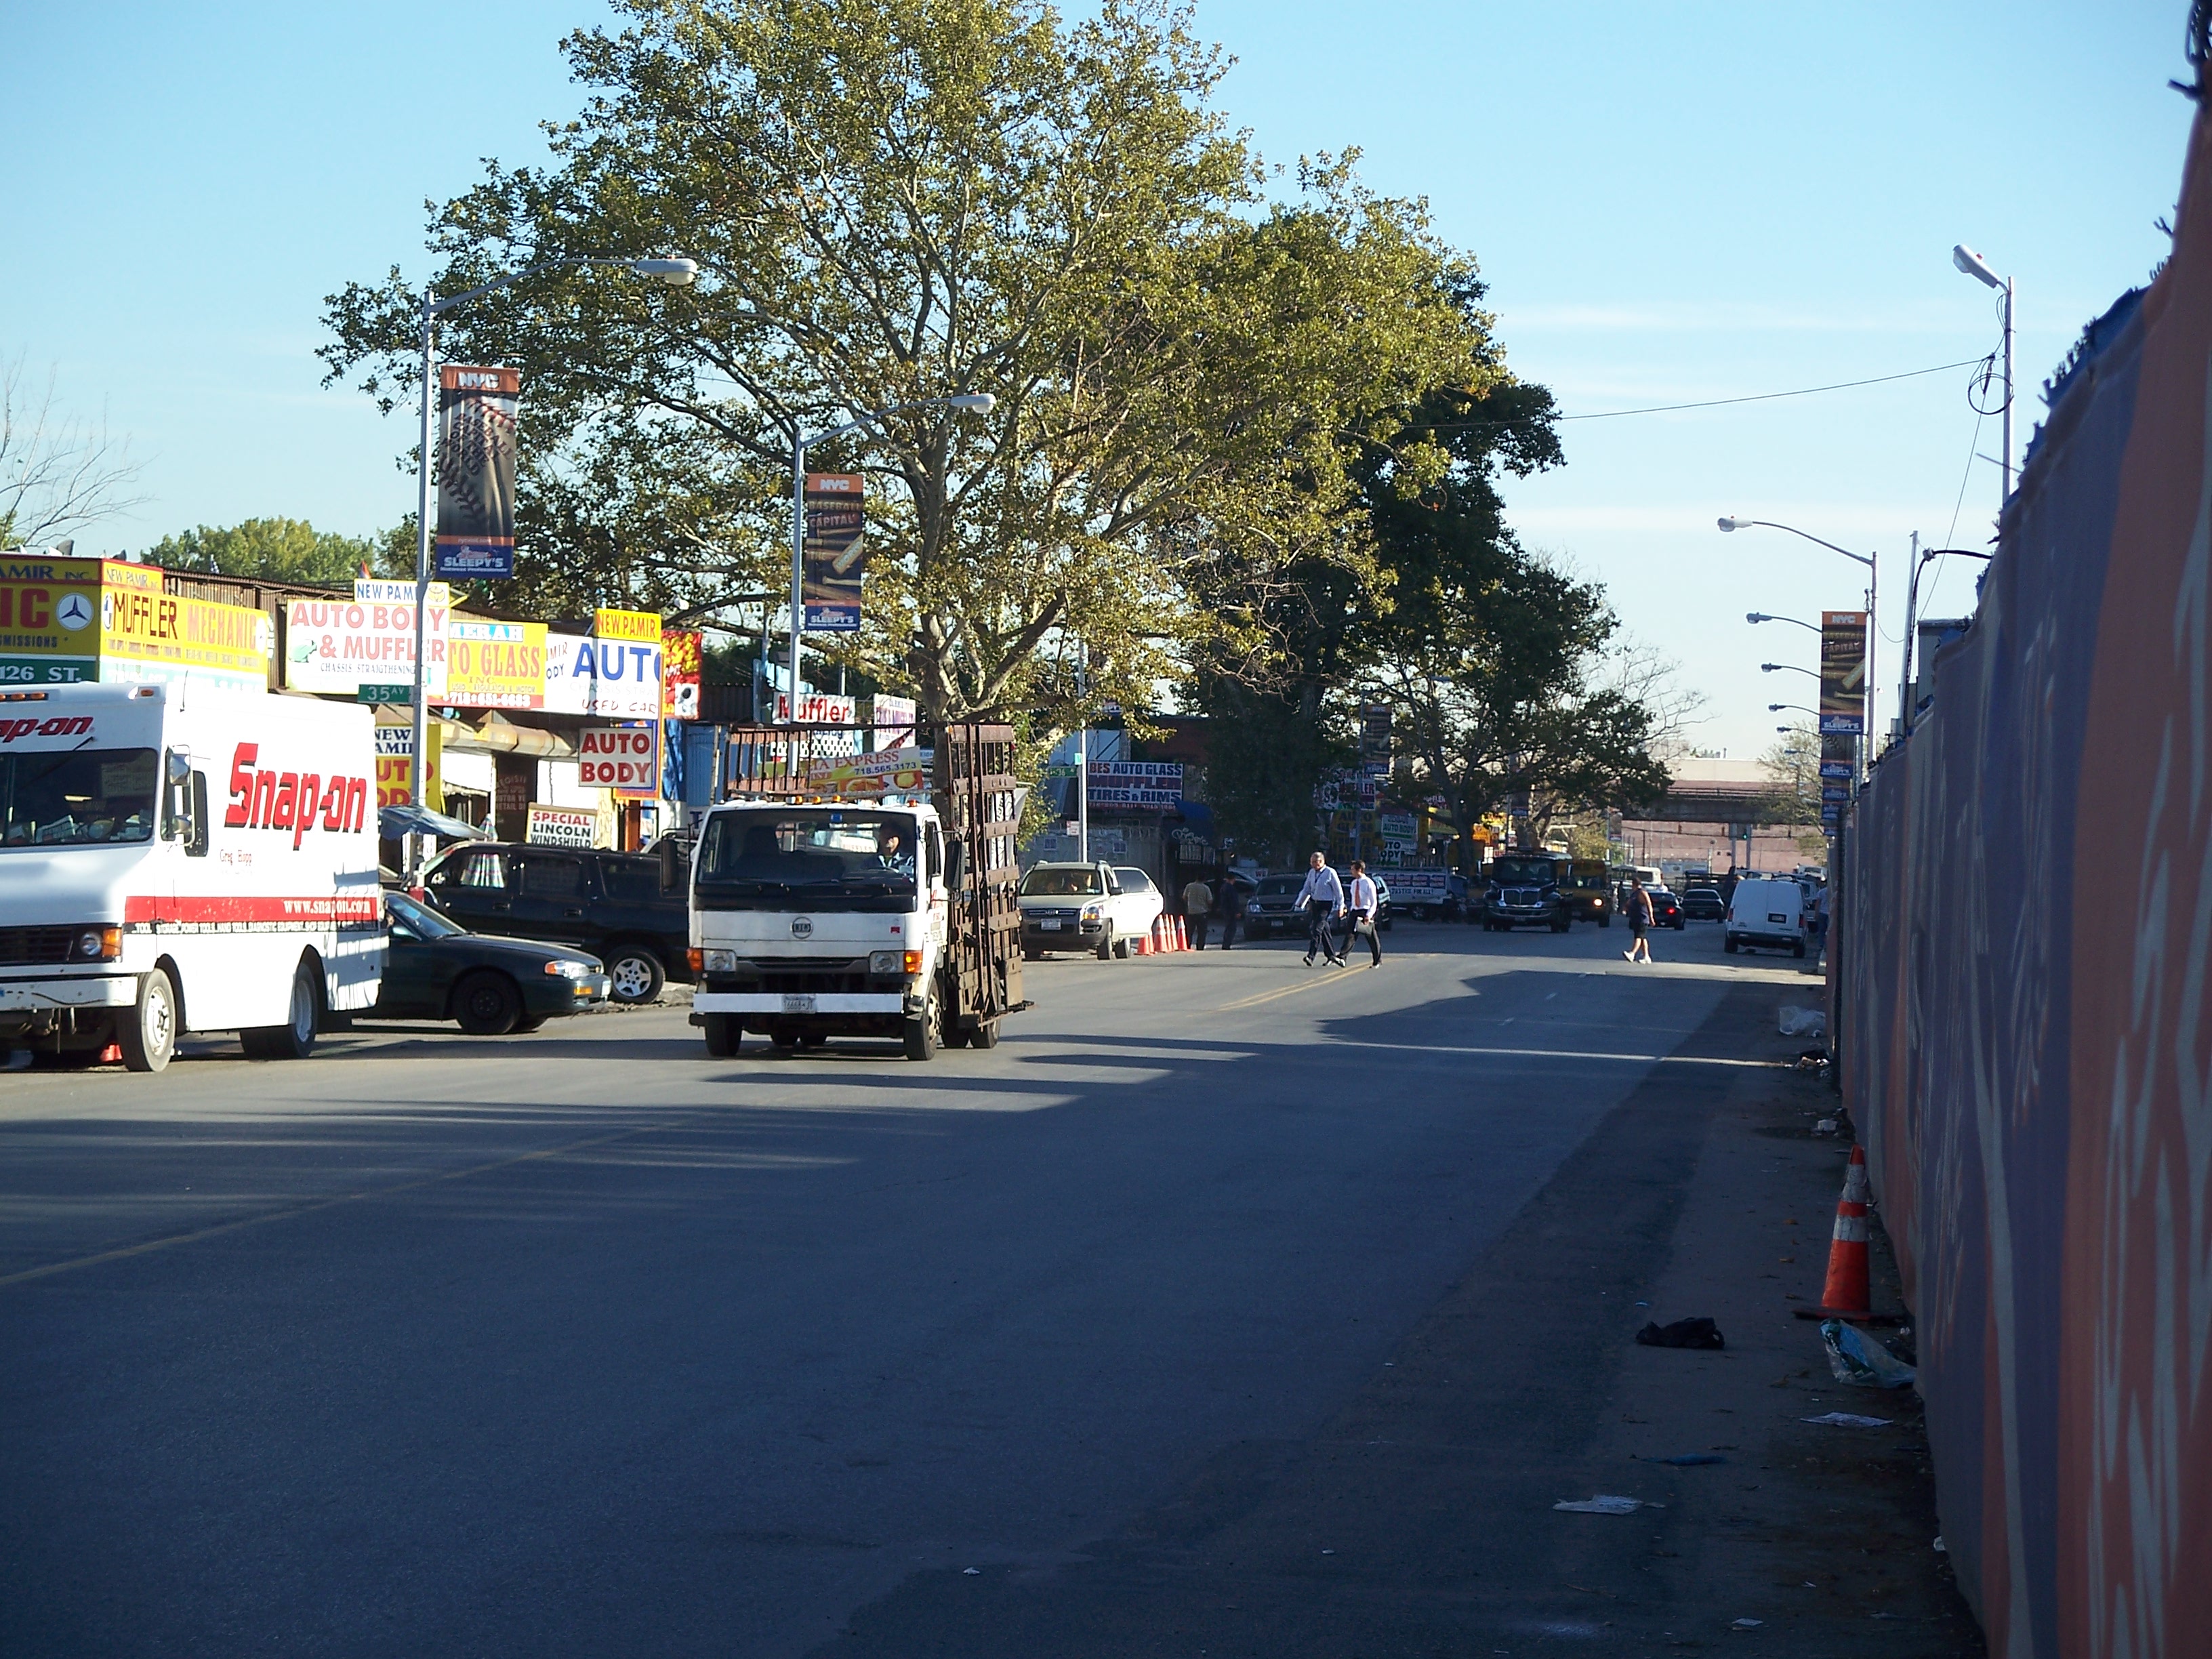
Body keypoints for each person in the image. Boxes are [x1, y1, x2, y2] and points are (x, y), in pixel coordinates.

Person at [1296, 851, 1346, 966]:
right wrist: (1300, 903)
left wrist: (1341, 906)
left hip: (1326, 904)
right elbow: (1307, 888)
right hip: (1315, 903)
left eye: (1315, 862)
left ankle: (1311, 956)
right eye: (1312, 862)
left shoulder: (1330, 872)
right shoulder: (1312, 873)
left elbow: (1338, 891)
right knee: (1324, 930)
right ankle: (1332, 955)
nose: (1313, 864)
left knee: (1316, 929)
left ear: (1322, 861)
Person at [1343, 859, 1383, 967]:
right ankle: (1342, 957)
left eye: (1353, 869)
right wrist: (1351, 910)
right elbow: (1354, 899)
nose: (1351, 871)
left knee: (1371, 936)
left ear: (1359, 870)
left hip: (1365, 911)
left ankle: (1377, 960)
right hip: (1355, 910)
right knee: (1350, 935)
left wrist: (1369, 915)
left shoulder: (1368, 883)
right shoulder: (1354, 883)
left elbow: (1374, 901)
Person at [1622, 874, 1655, 964]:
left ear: (1635, 884)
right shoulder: (1634, 894)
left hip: (1642, 919)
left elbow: (1649, 904)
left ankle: (1632, 954)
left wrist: (1651, 918)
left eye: (1632, 885)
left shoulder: (1642, 893)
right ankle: (1646, 957)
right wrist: (1625, 909)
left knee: (1639, 937)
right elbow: (1628, 903)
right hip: (1636, 919)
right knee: (1643, 938)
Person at [1181, 872, 1216, 949]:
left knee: (1189, 931)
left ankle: (1188, 945)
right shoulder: (1206, 888)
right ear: (1204, 879)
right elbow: (1210, 901)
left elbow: (1184, 897)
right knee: (1202, 932)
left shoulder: (1189, 886)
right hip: (1202, 912)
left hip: (1191, 912)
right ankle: (1200, 947)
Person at [1214, 872, 1242, 950]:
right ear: (1233, 879)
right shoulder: (1230, 888)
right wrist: (1237, 911)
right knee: (1231, 928)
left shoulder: (1223, 887)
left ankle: (1226, 943)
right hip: (1230, 911)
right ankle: (1227, 944)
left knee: (1228, 927)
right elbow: (1233, 901)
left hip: (1226, 910)